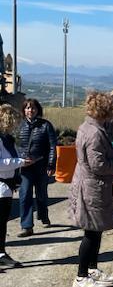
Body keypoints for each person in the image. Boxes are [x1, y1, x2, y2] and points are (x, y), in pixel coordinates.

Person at [69, 92, 113, 287]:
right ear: (104, 110)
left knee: (96, 230)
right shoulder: (94, 133)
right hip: (92, 187)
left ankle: (91, 270)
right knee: (91, 232)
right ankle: (81, 277)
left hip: (91, 185)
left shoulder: (89, 127)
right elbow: (97, 164)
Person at [16, 98, 57, 235]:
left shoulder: (46, 125)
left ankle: (43, 215)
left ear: (38, 110)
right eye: (27, 108)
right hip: (25, 166)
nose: (30, 110)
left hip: (41, 165)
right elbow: (15, 146)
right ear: (24, 110)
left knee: (41, 194)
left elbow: (52, 146)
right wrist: (21, 158)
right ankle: (27, 226)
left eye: (33, 108)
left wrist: (51, 164)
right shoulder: (19, 126)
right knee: (25, 194)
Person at [0, 104, 33, 269]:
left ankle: (1, 253)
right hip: (1, 184)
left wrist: (22, 158)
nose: (15, 125)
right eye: (13, 122)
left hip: (7, 185)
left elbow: (11, 156)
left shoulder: (7, 138)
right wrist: (20, 162)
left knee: (3, 223)